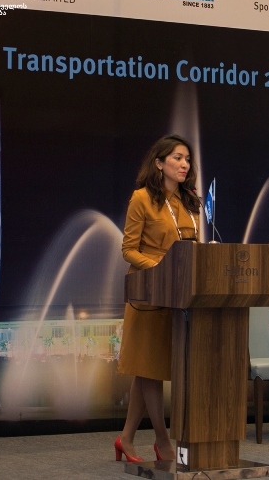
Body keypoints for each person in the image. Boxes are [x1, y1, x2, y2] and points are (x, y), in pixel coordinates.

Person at [114, 134, 201, 462]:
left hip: (178, 297)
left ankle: (125, 438)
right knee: (149, 369)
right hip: (148, 296)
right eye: (177, 157)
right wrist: (160, 269)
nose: (184, 164)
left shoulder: (190, 201)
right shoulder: (141, 199)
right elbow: (128, 250)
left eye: (187, 159)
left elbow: (190, 248)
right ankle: (163, 440)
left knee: (147, 368)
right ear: (159, 163)